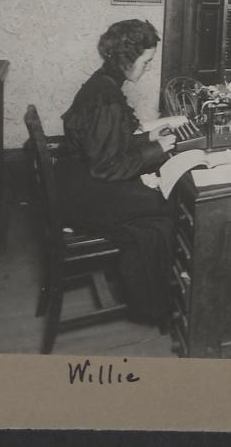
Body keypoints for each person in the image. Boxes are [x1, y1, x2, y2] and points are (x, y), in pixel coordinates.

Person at [58, 19, 178, 325]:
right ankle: (153, 304)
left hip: (79, 180)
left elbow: (109, 140)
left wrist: (150, 138)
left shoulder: (103, 83)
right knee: (165, 206)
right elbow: (108, 166)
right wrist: (159, 149)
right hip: (85, 194)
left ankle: (148, 289)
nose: (148, 68)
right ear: (127, 60)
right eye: (146, 61)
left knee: (154, 199)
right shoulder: (106, 99)